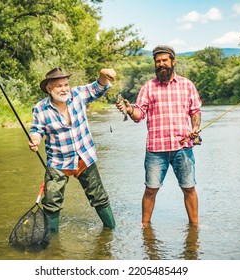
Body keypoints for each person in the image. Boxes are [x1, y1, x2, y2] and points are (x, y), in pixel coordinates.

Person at [116, 45, 202, 227]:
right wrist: (129, 109)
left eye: (164, 60)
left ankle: (195, 227)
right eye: (157, 61)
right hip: (156, 150)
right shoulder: (148, 87)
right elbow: (139, 115)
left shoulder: (187, 85)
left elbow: (195, 111)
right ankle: (145, 227)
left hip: (183, 147)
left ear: (173, 61)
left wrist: (195, 127)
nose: (161, 64)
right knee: (150, 190)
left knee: (189, 188)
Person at [29, 66, 117, 232]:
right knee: (51, 201)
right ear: (49, 89)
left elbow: (98, 87)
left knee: (99, 196)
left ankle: (111, 230)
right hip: (58, 161)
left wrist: (103, 74)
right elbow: (36, 130)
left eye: (65, 84)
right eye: (59, 86)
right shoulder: (40, 108)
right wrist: (34, 141)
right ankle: (52, 242)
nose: (64, 89)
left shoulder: (78, 95)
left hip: (84, 156)